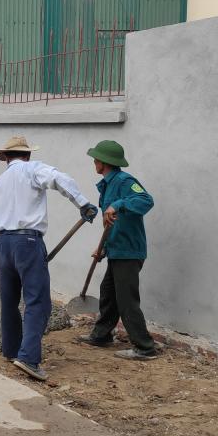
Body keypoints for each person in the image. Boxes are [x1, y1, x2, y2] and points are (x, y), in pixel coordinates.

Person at [0, 135, 98, 382]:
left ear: (6, 157)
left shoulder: (0, 181)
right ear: (27, 155)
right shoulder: (32, 169)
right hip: (28, 241)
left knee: (9, 300)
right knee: (38, 301)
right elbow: (60, 179)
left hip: (3, 242)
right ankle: (28, 358)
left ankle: (11, 350)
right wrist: (82, 203)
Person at [76, 140, 157, 360]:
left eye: (96, 159)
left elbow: (145, 200)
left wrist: (119, 204)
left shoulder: (124, 181)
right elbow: (112, 223)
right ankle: (101, 336)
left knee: (126, 300)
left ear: (103, 162)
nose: (94, 162)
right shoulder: (107, 184)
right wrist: (102, 248)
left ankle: (145, 347)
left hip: (129, 251)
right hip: (116, 249)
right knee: (108, 293)